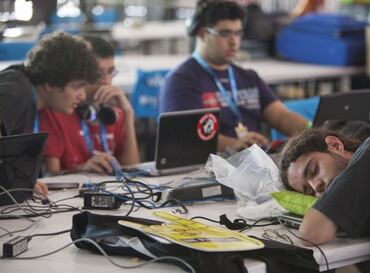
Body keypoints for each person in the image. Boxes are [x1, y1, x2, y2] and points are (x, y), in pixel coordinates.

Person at [159, 0, 308, 152]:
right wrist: (234, 144)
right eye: (225, 33)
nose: (234, 42)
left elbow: (281, 116)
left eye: (238, 33)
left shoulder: (248, 77)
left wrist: (313, 130)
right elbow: (185, 136)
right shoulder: (181, 80)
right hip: (208, 167)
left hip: (252, 162)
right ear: (203, 34)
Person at [278, 128, 370, 273]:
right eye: (309, 191)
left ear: (335, 145)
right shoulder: (367, 196)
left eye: (314, 169)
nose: (316, 187)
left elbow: (311, 233)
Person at [0, 31, 100, 195]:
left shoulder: (28, 94)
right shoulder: (15, 92)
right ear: (50, 83)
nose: (82, 96)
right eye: (77, 87)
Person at [39, 35, 140, 175]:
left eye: (111, 72)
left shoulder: (113, 111)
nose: (106, 81)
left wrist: (128, 113)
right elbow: (50, 175)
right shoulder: (58, 108)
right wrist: (82, 170)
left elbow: (132, 170)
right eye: (98, 74)